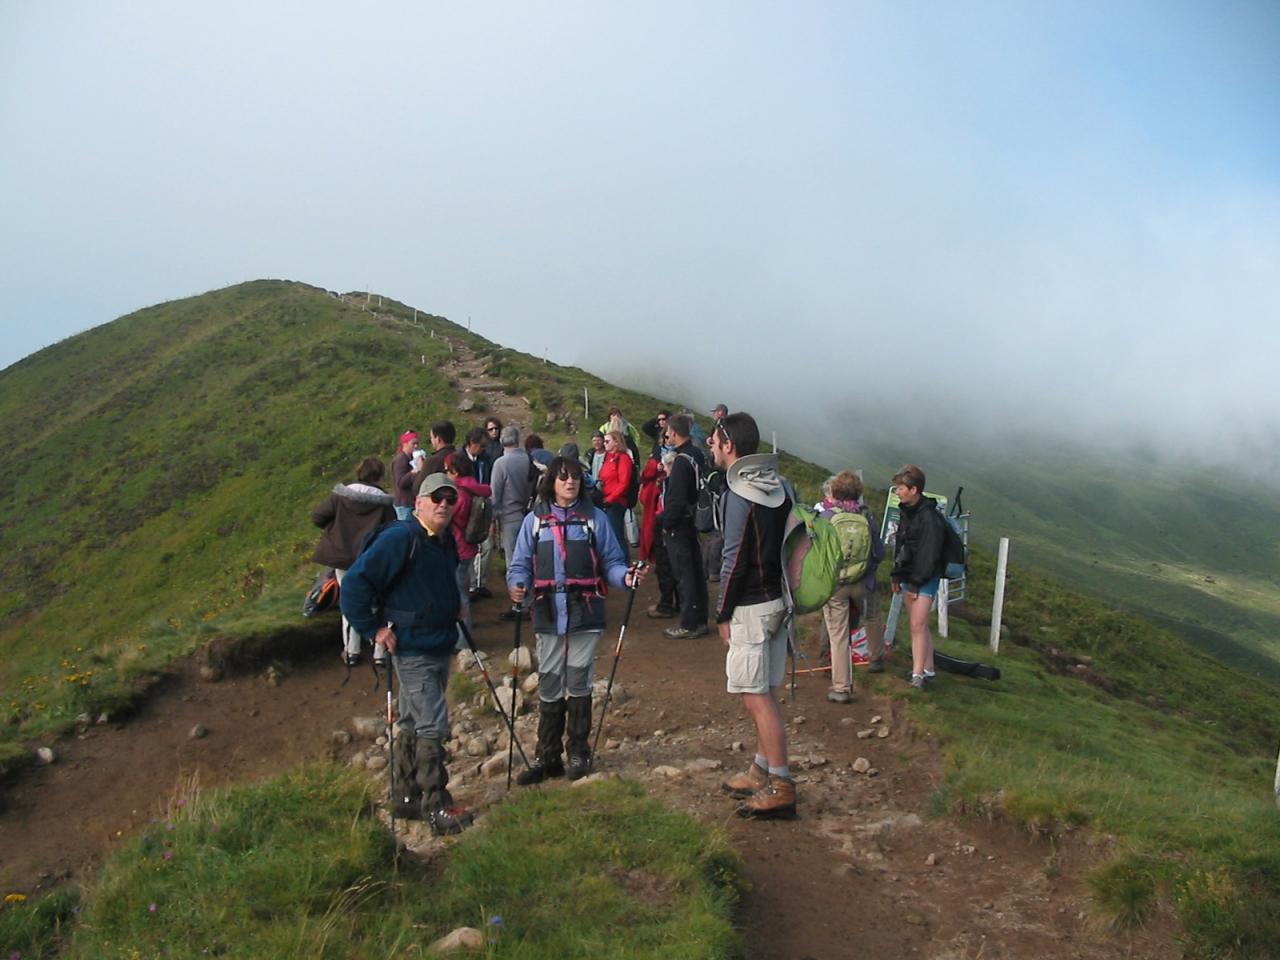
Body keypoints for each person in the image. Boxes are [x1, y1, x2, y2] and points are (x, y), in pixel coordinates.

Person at [338, 473, 473, 835]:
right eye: (436, 498)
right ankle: (436, 805)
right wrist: (373, 630)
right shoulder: (401, 538)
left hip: (437, 640)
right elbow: (353, 585)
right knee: (432, 723)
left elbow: (438, 581)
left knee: (413, 721)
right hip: (412, 646)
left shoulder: (441, 539)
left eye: (450, 499)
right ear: (419, 503)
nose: (444, 504)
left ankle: (405, 797)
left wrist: (455, 606)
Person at [506, 455, 645, 784]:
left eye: (576, 478)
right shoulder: (534, 521)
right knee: (551, 682)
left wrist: (624, 577)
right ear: (551, 482)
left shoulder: (594, 519)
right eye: (564, 477)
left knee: (579, 680)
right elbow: (520, 563)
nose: (571, 482)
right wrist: (516, 586)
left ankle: (579, 751)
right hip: (548, 611)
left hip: (586, 611)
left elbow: (611, 561)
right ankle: (548, 756)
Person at [709, 411, 797, 819]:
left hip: (750, 608)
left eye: (714, 440)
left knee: (756, 697)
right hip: (779, 602)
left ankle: (781, 786)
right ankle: (761, 771)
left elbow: (733, 559)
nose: (710, 445)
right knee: (765, 690)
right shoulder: (781, 486)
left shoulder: (738, 494)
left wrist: (722, 613)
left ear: (729, 445)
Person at [310, 457, 397, 666]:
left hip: (342, 558)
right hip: (370, 559)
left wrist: (334, 530)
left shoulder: (340, 497)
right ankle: (379, 653)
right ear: (378, 476)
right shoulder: (384, 504)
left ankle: (351, 651)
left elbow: (317, 516)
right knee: (376, 602)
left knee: (348, 602)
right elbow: (393, 531)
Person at [819, 471, 886, 702]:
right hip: (864, 582)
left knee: (838, 634)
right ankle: (876, 659)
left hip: (835, 586)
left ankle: (841, 688)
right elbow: (880, 552)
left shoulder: (826, 517)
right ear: (858, 494)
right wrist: (867, 571)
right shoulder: (866, 516)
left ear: (834, 492)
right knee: (873, 616)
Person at [889, 464, 945, 690]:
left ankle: (917, 675)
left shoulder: (929, 518)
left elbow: (929, 554)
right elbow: (901, 547)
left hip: (924, 577)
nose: (897, 492)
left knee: (917, 624)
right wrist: (896, 576)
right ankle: (928, 668)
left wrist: (914, 583)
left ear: (914, 490)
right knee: (919, 625)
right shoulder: (908, 512)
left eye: (901, 487)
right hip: (910, 576)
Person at [659, 413, 708, 639]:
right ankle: (700, 619)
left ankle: (688, 623)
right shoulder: (697, 454)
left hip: (680, 524)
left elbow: (676, 499)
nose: (666, 435)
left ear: (675, 433)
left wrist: (666, 523)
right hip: (695, 519)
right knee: (696, 571)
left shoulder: (680, 461)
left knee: (684, 574)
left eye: (668, 431)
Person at [489, 425, 535, 623]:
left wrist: (492, 519)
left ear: (502, 441)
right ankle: (531, 601)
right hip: (528, 515)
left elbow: (494, 495)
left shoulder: (501, 463)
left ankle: (519, 605)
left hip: (509, 518)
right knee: (529, 560)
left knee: (514, 563)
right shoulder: (528, 460)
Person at [444, 452, 490, 643]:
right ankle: (463, 637)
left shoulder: (459, 494)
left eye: (447, 470)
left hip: (458, 547)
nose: (445, 473)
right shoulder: (475, 488)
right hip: (470, 545)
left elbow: (448, 518)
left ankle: (463, 641)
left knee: (459, 595)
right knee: (462, 590)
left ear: (455, 471)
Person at [462, 427, 496, 600]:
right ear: (472, 443)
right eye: (482, 446)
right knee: (468, 549)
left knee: (487, 546)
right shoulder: (459, 459)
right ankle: (471, 586)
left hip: (482, 508)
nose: (484, 449)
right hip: (465, 510)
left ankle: (480, 583)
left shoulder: (485, 459)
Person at [597, 429, 635, 560]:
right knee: (610, 533)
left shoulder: (623, 459)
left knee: (617, 533)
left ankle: (624, 563)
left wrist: (610, 499)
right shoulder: (608, 457)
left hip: (616, 501)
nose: (604, 444)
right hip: (607, 499)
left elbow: (624, 483)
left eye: (607, 441)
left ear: (616, 442)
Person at [390, 430, 419, 521]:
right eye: (413, 443)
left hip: (409, 502)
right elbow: (401, 482)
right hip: (404, 504)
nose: (416, 446)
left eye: (417, 443)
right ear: (405, 444)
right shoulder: (400, 460)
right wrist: (414, 472)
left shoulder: (410, 458)